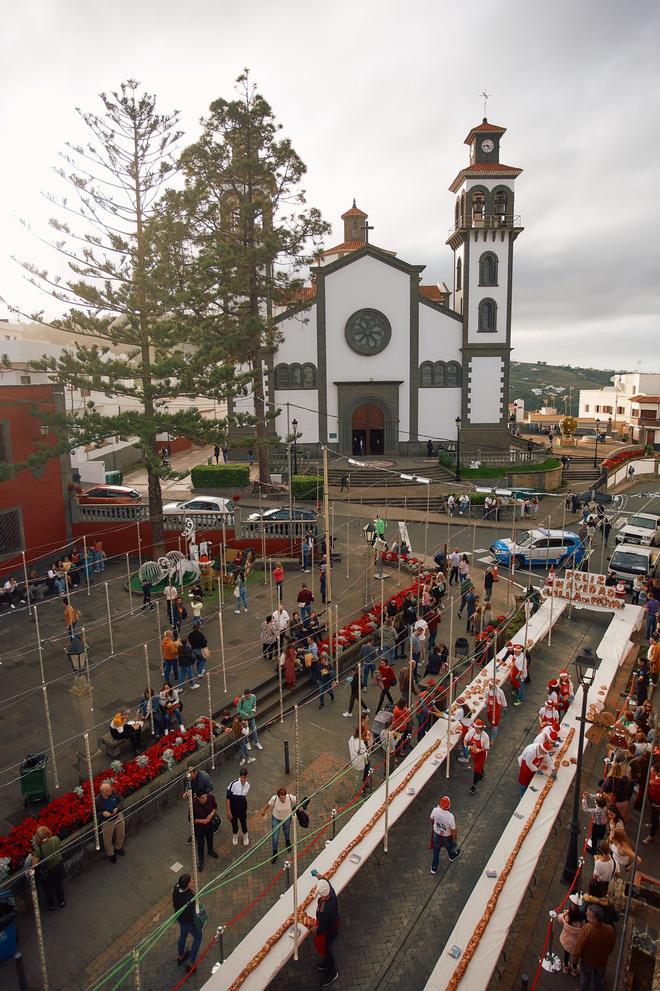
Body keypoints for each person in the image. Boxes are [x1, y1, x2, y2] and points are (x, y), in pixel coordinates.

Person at [573, 904, 616, 991]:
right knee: (598, 978)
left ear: (594, 918)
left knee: (586, 977)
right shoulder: (610, 929)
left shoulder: (587, 929)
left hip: (588, 960)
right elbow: (612, 946)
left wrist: (575, 958)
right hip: (601, 960)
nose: (585, 913)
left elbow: (579, 946)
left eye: (588, 914)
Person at [311, 876, 340, 987]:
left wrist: (315, 930)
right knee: (326, 948)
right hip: (333, 924)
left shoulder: (326, 910)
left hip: (330, 929)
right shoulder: (331, 891)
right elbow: (326, 881)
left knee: (327, 948)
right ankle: (326, 963)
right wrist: (319, 875)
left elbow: (322, 927)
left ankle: (332, 972)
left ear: (323, 895)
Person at [172, 873, 202, 972]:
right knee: (198, 937)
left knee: (183, 935)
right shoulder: (189, 897)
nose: (192, 882)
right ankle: (191, 963)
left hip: (180, 918)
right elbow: (191, 914)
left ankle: (181, 956)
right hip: (187, 921)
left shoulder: (176, 888)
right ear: (187, 885)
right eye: (191, 881)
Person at [32, 825, 65, 910]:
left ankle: (51, 905)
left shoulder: (39, 850)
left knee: (48, 889)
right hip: (59, 867)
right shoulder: (55, 839)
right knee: (59, 885)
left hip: (48, 872)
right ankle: (61, 902)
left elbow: (34, 864)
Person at [261, 787, 297, 863]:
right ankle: (274, 853)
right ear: (278, 796)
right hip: (276, 819)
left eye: (284, 798)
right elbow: (269, 805)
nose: (283, 800)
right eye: (281, 798)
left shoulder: (290, 797)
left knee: (286, 831)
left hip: (287, 818)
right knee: (275, 836)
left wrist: (299, 808)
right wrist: (264, 811)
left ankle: (287, 841)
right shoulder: (274, 799)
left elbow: (297, 800)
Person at [95, 782, 125, 862]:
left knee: (121, 834)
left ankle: (118, 847)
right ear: (103, 793)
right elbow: (95, 813)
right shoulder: (98, 800)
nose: (110, 792)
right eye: (108, 791)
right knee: (107, 840)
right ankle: (111, 854)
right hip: (107, 822)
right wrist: (103, 813)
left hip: (118, 817)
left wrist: (118, 808)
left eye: (110, 789)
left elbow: (121, 799)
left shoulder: (113, 792)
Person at [430, 795, 460, 873]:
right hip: (447, 836)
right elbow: (453, 830)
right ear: (449, 806)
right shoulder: (450, 817)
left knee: (436, 852)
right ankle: (452, 856)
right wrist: (455, 839)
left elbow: (431, 818)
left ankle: (434, 867)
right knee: (450, 847)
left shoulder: (435, 810)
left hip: (436, 834)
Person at [192, 790, 219, 870]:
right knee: (200, 844)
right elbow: (191, 820)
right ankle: (201, 861)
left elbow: (214, 807)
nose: (205, 799)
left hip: (209, 825)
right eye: (203, 798)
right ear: (198, 798)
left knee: (210, 838)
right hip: (199, 828)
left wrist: (211, 815)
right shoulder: (193, 805)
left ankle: (210, 851)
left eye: (206, 796)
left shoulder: (211, 798)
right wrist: (202, 821)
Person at [226, 767, 250, 846]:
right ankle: (235, 836)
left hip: (242, 808)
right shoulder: (233, 784)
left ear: (247, 776)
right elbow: (228, 798)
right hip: (233, 809)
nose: (243, 779)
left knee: (243, 823)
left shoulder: (248, 785)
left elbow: (243, 798)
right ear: (240, 776)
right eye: (242, 777)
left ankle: (245, 836)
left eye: (245, 777)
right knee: (234, 824)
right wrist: (229, 811)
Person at [558, 902, 584, 976]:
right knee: (576, 957)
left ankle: (566, 967)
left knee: (566, 954)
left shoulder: (566, 918)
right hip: (576, 944)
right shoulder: (580, 923)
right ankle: (574, 969)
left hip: (567, 941)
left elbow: (559, 917)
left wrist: (565, 913)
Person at [465, 719, 490, 793]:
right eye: (475, 728)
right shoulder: (472, 731)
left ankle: (473, 786)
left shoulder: (485, 736)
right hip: (474, 754)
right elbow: (466, 739)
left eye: (477, 729)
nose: (475, 730)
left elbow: (486, 748)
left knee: (476, 769)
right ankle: (482, 774)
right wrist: (465, 746)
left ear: (481, 729)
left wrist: (479, 750)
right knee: (478, 767)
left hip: (481, 755)